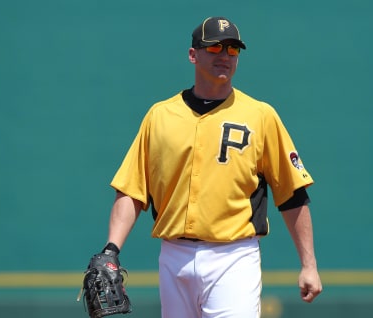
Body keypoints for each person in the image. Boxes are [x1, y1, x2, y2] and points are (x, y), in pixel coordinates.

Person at [100, 16, 322, 317]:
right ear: (193, 55)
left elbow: (292, 194)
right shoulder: (160, 116)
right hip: (173, 256)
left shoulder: (260, 116)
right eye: (215, 47)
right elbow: (132, 190)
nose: (225, 56)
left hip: (233, 258)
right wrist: (111, 250)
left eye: (233, 50)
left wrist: (308, 265)